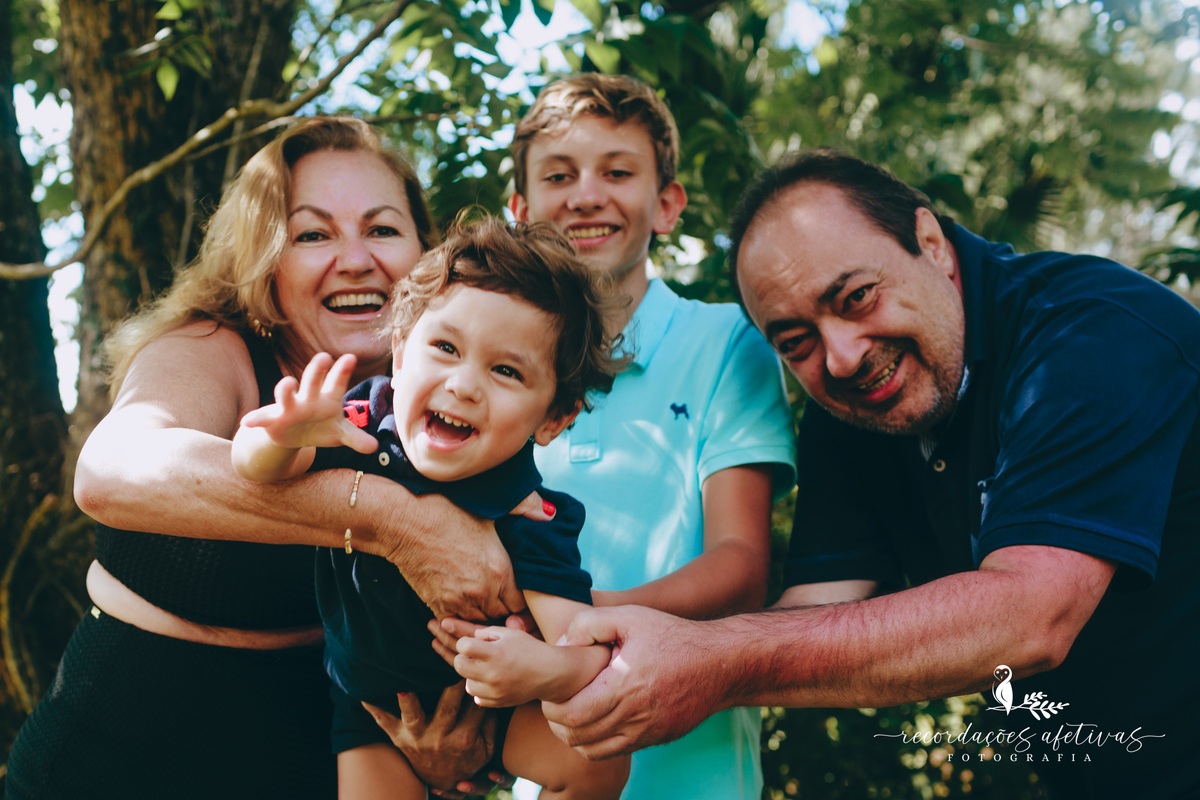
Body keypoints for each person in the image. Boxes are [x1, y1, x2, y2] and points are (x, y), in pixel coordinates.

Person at [541, 149, 1200, 799]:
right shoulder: (855, 404)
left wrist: (713, 662)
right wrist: (567, 673)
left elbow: (1032, 617)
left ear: (931, 243)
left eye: (857, 296)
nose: (843, 356)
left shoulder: (1092, 336)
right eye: (795, 341)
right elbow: (822, 608)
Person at [4, 118, 541, 800]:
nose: (355, 259)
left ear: (426, 257)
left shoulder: (464, 410)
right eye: (312, 234)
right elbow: (111, 469)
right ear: (262, 259)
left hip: (315, 761)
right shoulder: (211, 347)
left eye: (381, 230)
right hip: (120, 757)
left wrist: (437, 761)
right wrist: (390, 519)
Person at [400, 75, 796, 799]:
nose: (586, 194)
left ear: (666, 205)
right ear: (520, 209)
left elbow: (740, 567)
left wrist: (570, 624)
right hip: (548, 766)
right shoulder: (471, 380)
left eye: (618, 172)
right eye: (559, 175)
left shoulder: (723, 342)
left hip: (695, 774)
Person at [231, 218, 631, 799]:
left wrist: (542, 669)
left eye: (506, 370)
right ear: (398, 350)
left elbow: (586, 654)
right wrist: (285, 435)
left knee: (600, 758)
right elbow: (252, 469)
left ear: (554, 418)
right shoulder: (354, 426)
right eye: (444, 348)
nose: (464, 385)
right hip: (372, 713)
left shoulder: (528, 513)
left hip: (490, 710)